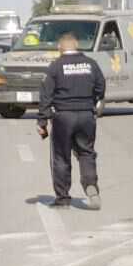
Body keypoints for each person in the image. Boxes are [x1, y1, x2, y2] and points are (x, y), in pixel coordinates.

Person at [36, 26, 108, 208]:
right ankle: (91, 187)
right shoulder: (91, 64)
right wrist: (93, 101)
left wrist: (42, 121)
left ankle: (63, 199)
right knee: (86, 153)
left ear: (60, 47)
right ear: (77, 46)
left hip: (63, 116)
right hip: (86, 115)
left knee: (61, 157)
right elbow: (101, 86)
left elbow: (46, 95)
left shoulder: (55, 66)